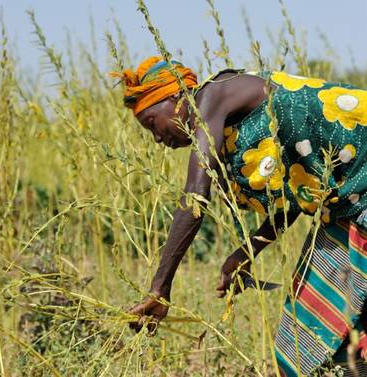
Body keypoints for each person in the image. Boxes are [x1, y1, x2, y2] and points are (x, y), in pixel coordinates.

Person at [112, 56, 367, 376]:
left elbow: (194, 196)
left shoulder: (213, 97)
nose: (158, 139)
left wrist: (159, 289)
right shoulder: (226, 125)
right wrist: (246, 253)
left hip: (360, 196)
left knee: (325, 339)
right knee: (311, 342)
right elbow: (295, 198)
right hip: (350, 207)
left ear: (175, 97)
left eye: (151, 123)